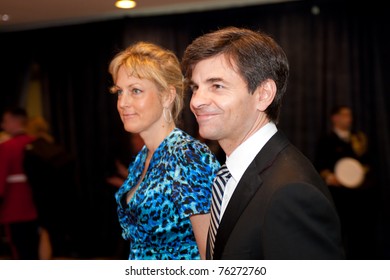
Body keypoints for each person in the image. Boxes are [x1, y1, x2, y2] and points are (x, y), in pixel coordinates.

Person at [181, 26, 345, 260]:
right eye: (195, 88)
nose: (196, 101)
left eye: (216, 86)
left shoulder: (291, 191)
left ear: (263, 94)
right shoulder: (232, 173)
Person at [108, 41, 220, 260]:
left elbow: (212, 254)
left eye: (136, 91)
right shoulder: (143, 158)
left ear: (167, 96)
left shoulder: (188, 156)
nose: (123, 102)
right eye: (120, 92)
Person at [314, 105, 374, 259]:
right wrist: (330, 177)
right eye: (345, 115)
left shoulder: (359, 139)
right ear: (335, 118)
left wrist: (359, 174)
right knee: (337, 235)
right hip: (337, 197)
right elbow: (319, 166)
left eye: (350, 115)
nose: (349, 119)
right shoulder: (326, 141)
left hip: (359, 197)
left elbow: (368, 164)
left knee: (360, 239)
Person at [23, 116, 77, 259]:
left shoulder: (31, 151)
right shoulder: (57, 149)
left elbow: (31, 178)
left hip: (41, 198)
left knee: (44, 232)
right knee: (59, 232)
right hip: (62, 196)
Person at [0, 107, 39, 259]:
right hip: (38, 207)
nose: (3, 125)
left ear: (16, 121)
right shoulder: (38, 143)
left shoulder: (6, 147)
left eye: (6, 121)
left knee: (20, 253)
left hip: (14, 209)